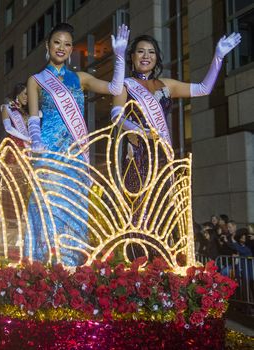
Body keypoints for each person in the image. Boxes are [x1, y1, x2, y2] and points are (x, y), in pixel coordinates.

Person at [25, 22, 129, 266]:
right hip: (48, 149)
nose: (61, 47)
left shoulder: (80, 78)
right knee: (47, 203)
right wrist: (37, 140)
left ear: (72, 49)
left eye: (67, 44)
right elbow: (32, 118)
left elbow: (114, 88)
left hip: (75, 151)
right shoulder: (37, 80)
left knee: (73, 204)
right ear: (47, 46)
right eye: (57, 42)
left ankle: (72, 264)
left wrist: (120, 56)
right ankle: (42, 265)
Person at [111, 33, 241, 196]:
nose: (146, 56)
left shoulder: (167, 84)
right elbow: (116, 116)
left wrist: (218, 57)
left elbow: (203, 89)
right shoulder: (125, 85)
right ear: (132, 56)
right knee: (139, 198)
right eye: (140, 51)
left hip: (161, 148)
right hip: (137, 148)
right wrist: (141, 132)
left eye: (151, 52)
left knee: (163, 199)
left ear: (157, 57)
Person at [1, 83, 31, 149]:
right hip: (14, 146)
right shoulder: (7, 108)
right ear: (18, 94)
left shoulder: (26, 111)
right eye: (25, 94)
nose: (27, 97)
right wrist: (26, 138)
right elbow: (8, 128)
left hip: (27, 146)